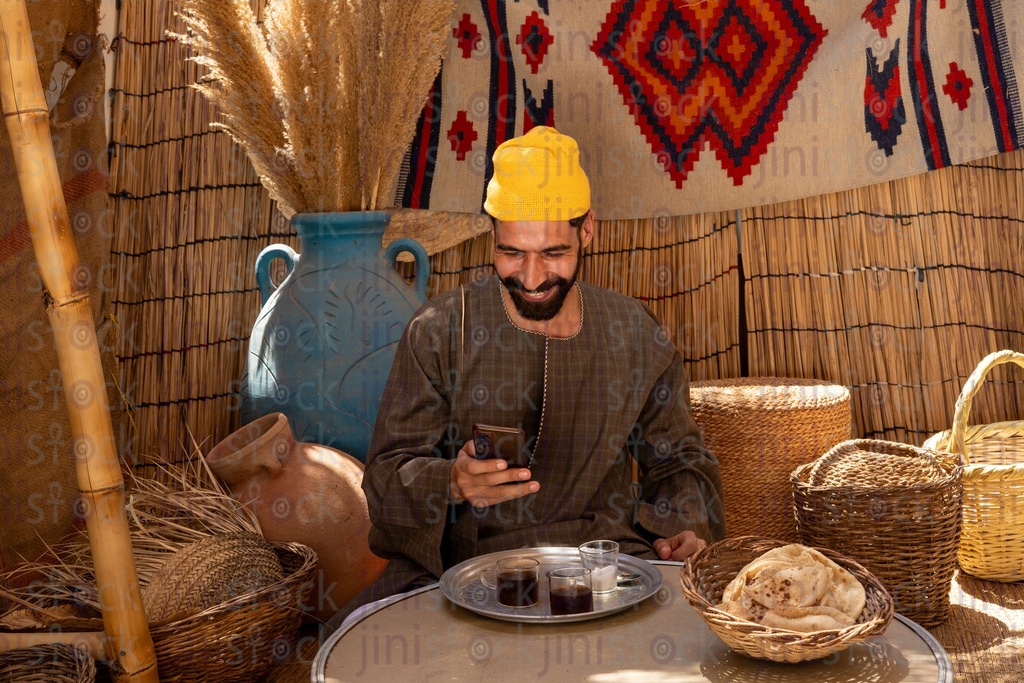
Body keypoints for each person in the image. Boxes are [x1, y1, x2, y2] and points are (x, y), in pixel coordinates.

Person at [328, 126, 725, 629]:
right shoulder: (439, 332)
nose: (532, 278)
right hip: (462, 571)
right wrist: (451, 482)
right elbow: (384, 482)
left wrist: (682, 527)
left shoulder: (635, 333)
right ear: (491, 234)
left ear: (587, 230)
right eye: (512, 253)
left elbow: (680, 462)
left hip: (605, 568)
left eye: (553, 253)